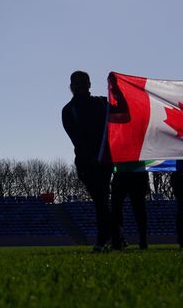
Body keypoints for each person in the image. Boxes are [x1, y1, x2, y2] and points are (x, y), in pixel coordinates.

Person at [62, 71, 112, 252]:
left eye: (83, 83)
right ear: (70, 86)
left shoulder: (102, 103)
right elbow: (77, 139)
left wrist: (118, 90)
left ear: (90, 84)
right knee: (100, 199)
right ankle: (110, 237)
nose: (80, 87)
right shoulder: (68, 110)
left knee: (102, 200)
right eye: (76, 83)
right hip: (86, 162)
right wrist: (92, 158)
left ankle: (105, 239)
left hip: (104, 160)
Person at [111, 161, 149, 250]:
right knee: (139, 209)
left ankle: (118, 241)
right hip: (133, 172)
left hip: (126, 172)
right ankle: (142, 241)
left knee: (117, 208)